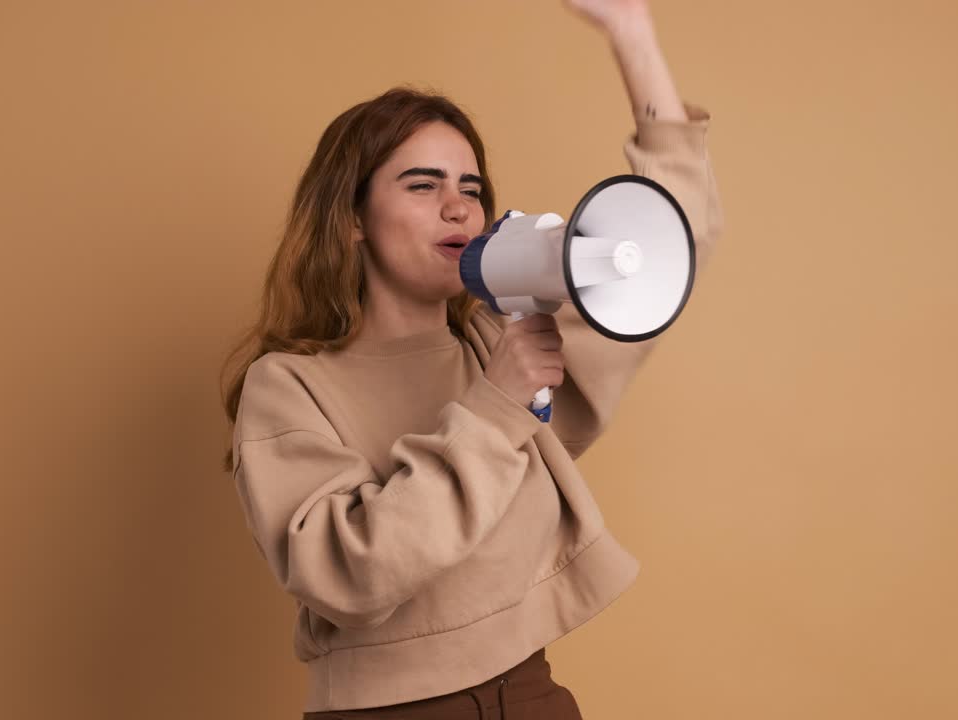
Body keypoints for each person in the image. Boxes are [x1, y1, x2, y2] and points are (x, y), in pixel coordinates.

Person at [218, 1, 722, 717]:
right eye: (422, 185)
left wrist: (631, 32)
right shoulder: (292, 387)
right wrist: (495, 406)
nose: (457, 208)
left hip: (532, 693)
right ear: (352, 218)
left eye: (472, 189)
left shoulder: (502, 341)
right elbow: (349, 573)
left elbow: (667, 241)